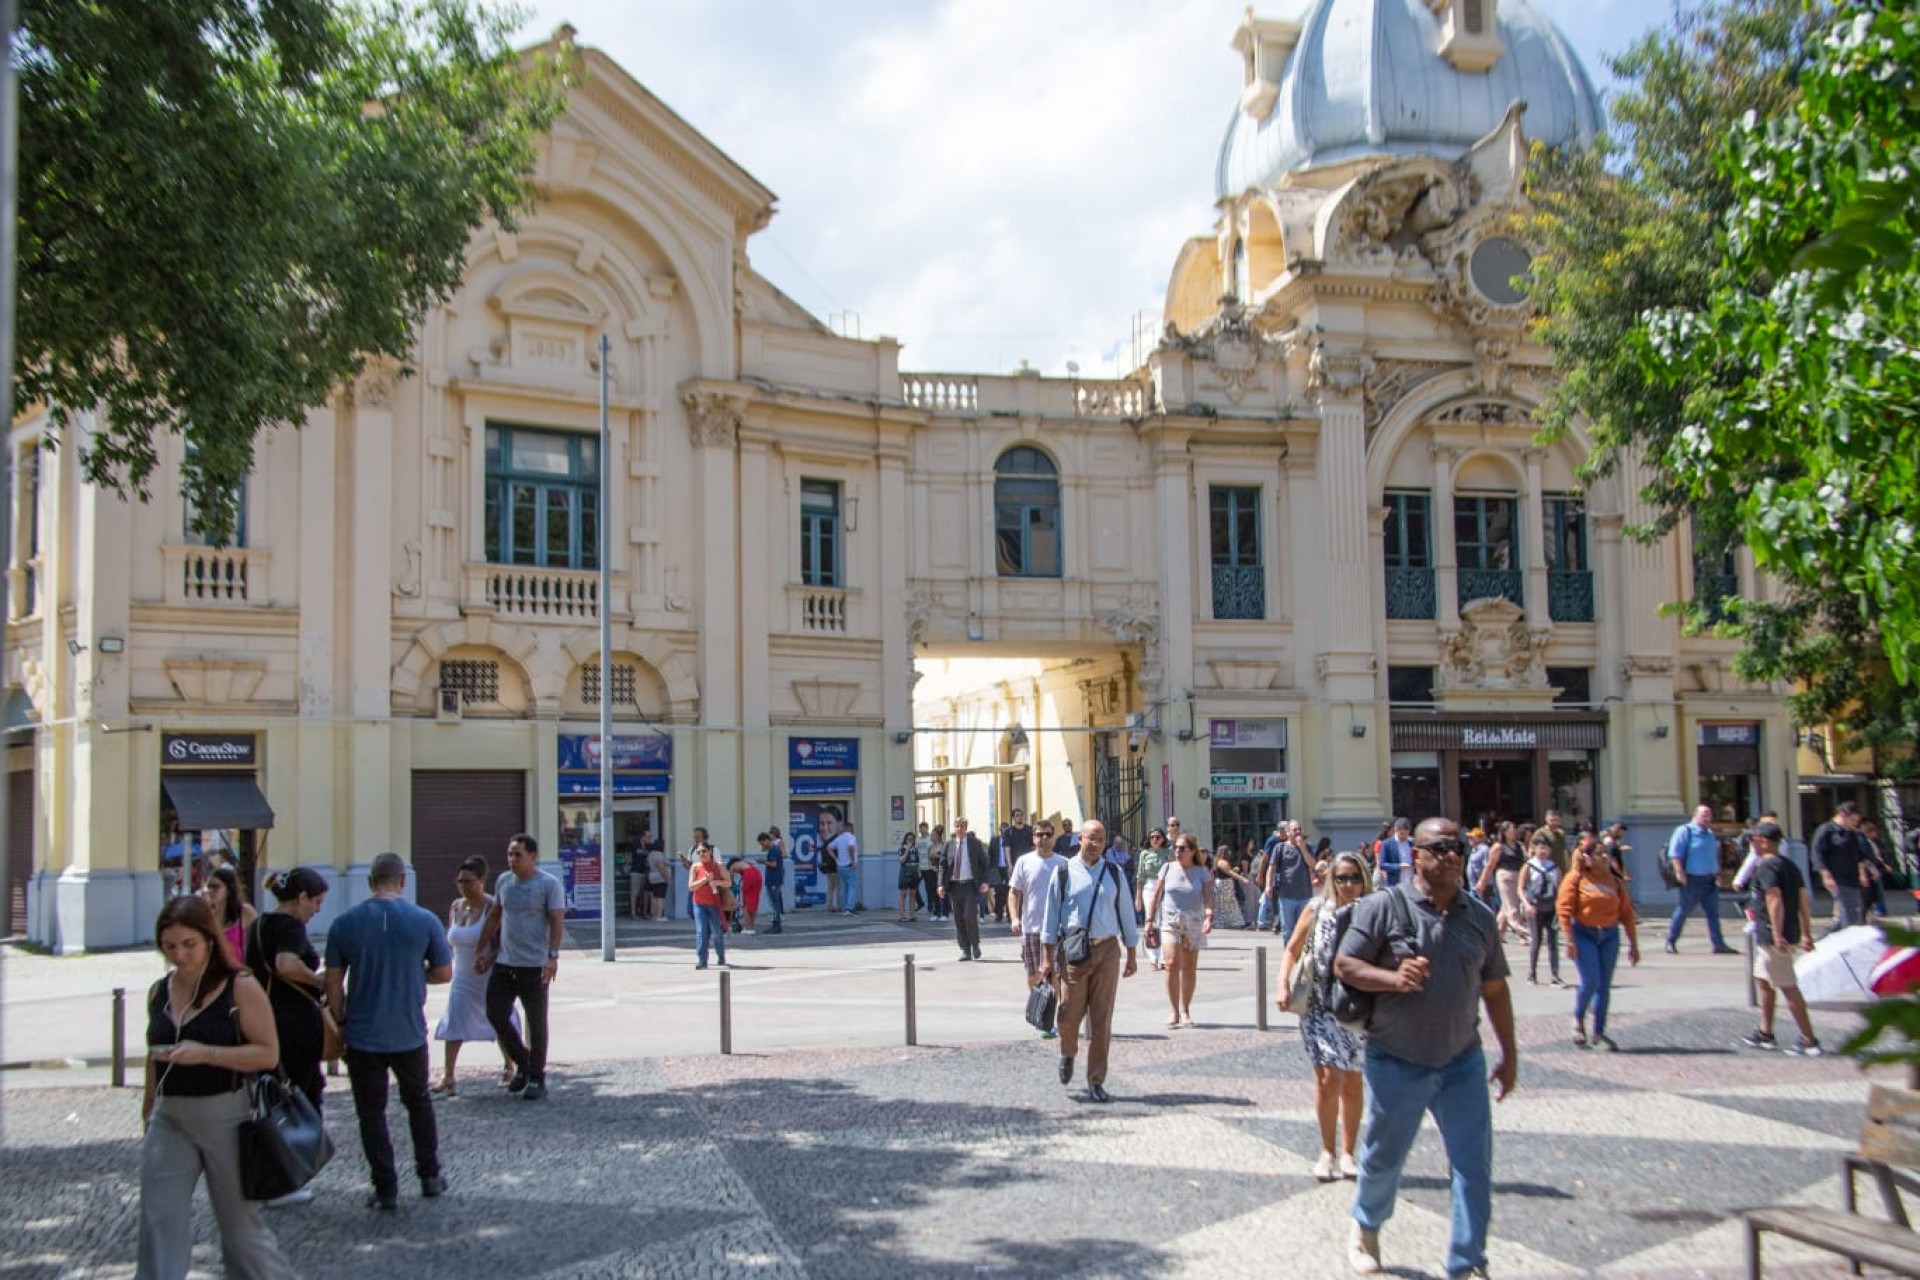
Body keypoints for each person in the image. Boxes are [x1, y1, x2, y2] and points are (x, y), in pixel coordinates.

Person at [1333, 818, 1517, 1280]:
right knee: (1383, 1157)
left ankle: (1468, 1258)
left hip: (1462, 1060)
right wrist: (1393, 979)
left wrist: (1510, 1054)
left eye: (1457, 848)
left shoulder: (1478, 917)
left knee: (1473, 1163)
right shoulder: (1384, 907)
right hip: (1396, 1057)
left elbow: (1495, 990)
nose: (1452, 856)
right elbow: (1344, 964)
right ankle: (1366, 1227)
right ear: (1415, 854)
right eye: (1439, 848)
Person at [139, 896, 294, 1280]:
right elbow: (152, 1053)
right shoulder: (159, 990)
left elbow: (267, 1053)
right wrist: (148, 1106)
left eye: (188, 944)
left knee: (241, 1230)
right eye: (170, 946)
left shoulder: (239, 986)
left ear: (209, 938)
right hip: (170, 1115)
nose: (179, 955)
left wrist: (207, 1053)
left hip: (226, 1113)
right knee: (159, 1219)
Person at [324, 853, 453, 1210]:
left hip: (363, 1034)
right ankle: (429, 1174)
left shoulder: (344, 924)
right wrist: (415, 974)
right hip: (408, 1030)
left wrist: (341, 1020)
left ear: (370, 882)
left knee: (371, 1113)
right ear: (402, 881)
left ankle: (385, 1187)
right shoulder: (424, 920)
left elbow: (333, 982)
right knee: (419, 1102)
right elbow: (444, 973)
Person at [1278, 849, 1371, 1182]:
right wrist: (1282, 985)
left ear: (1364, 881)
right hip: (1318, 1006)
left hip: (1359, 1006)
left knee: (1354, 1081)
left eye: (1354, 878)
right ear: (1331, 879)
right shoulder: (1318, 908)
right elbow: (1292, 947)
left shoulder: (1373, 911)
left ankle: (1349, 1152)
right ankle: (1327, 1151)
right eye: (1341, 877)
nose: (1348, 884)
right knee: (1328, 1077)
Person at [245, 868, 330, 1205]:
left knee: (272, 1098)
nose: (317, 910)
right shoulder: (290, 927)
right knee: (298, 1099)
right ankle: (286, 1178)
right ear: (301, 898)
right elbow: (286, 965)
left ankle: (273, 1177)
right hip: (293, 1023)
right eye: (317, 902)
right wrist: (320, 981)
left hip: (264, 1021)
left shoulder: (259, 924)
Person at [1040, 818, 1139, 1104]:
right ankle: (1068, 1052)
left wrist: (1131, 951)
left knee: (1101, 1019)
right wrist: (1048, 958)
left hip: (1107, 950)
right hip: (1074, 952)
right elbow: (1051, 915)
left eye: (1100, 839)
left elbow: (1126, 914)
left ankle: (1096, 1080)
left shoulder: (1114, 873)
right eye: (1090, 838)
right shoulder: (1063, 871)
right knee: (1069, 1014)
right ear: (1079, 839)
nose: (1095, 844)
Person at [477, 833, 565, 1102]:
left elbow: (556, 920)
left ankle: (536, 1077)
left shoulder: (548, 884)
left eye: (518, 854)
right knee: (495, 1013)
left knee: (536, 1022)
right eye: (509, 854)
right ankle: (524, 1063)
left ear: (532, 857)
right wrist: (482, 949)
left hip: (535, 964)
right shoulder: (504, 881)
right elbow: (494, 916)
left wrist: (552, 955)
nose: (512, 859)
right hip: (505, 962)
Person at [1739, 819, 1823, 1055]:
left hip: (1774, 936)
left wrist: (1777, 934)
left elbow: (1774, 899)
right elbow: (1803, 902)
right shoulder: (1790, 865)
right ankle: (1765, 1032)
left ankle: (1809, 1039)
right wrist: (1806, 932)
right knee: (1763, 981)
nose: (1752, 844)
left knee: (1787, 986)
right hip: (1783, 933)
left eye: (1754, 840)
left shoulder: (1768, 867)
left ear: (1764, 842)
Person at [434, 856, 515, 1096]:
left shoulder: (492, 906)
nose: (463, 886)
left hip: (486, 975)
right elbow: (453, 939)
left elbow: (504, 942)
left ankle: (509, 1065)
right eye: (459, 881)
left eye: (468, 881)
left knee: (498, 1019)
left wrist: (487, 959)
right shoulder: (456, 906)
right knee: (455, 1019)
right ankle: (448, 1075)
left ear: (481, 880)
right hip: (462, 975)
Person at [1558, 828, 1640, 1051]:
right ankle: (1578, 1019)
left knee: (1604, 985)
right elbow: (1564, 910)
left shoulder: (1615, 881)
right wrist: (1569, 940)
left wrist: (1634, 944)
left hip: (1609, 935)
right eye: (1599, 853)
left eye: (1606, 853)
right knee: (1591, 980)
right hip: (1583, 933)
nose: (1604, 857)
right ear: (1587, 857)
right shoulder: (1576, 878)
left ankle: (1599, 1032)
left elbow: (1626, 914)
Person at [1007, 820, 1069, 1029]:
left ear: (1053, 837)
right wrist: (1015, 918)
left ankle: (1054, 1017)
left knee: (1057, 974)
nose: (1044, 839)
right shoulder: (1024, 862)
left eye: (1048, 835)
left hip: (1057, 929)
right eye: (1039, 835)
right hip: (1032, 927)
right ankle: (1041, 1010)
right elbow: (1014, 893)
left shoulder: (1063, 863)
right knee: (1034, 974)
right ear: (1033, 838)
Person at [1147, 834, 1213, 1028]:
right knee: (1171, 963)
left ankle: (1185, 1009)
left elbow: (1208, 898)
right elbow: (1156, 895)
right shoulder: (1167, 868)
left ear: (1192, 850)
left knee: (1189, 968)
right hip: (1170, 920)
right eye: (1176, 847)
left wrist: (1209, 917)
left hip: (1193, 920)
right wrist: (1149, 920)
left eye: (1182, 848)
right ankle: (1173, 1010)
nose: (1178, 851)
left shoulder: (1202, 872)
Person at [1666, 802, 1738, 954]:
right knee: (1683, 910)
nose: (1707, 818)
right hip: (1692, 879)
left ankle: (1718, 944)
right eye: (1704, 815)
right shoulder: (1685, 831)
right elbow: (1675, 854)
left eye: (1709, 815)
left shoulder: (1710, 834)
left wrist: (1717, 873)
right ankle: (1671, 941)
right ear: (1695, 816)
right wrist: (1680, 873)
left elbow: (1713, 856)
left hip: (1709, 879)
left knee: (1713, 913)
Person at [1811, 801, 1875, 933]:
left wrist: (1865, 872)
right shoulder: (1826, 831)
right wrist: (1826, 876)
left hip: (1852, 877)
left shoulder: (1851, 833)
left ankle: (1824, 939)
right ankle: (1848, 941)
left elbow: (1859, 855)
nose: (1854, 824)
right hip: (1837, 878)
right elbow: (1818, 854)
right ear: (1842, 815)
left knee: (1848, 914)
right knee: (1850, 914)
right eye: (1852, 820)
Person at [938, 817, 989, 961]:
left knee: (969, 917)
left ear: (966, 828)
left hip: (970, 886)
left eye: (962, 826)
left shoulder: (974, 844)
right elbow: (943, 865)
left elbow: (984, 864)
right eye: (957, 826)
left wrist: (985, 882)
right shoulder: (948, 845)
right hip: (954, 887)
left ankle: (975, 944)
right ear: (954, 828)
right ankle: (965, 949)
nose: (959, 829)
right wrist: (941, 884)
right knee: (959, 919)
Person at [1519, 835, 1565, 988]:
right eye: (1540, 848)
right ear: (1534, 849)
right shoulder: (1529, 866)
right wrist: (1526, 905)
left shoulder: (1554, 867)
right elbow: (1520, 888)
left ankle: (1555, 975)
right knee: (1536, 941)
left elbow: (1561, 888)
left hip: (1551, 908)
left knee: (1553, 942)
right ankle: (1532, 974)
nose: (1543, 851)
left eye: (1546, 848)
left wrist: (1560, 907)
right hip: (1535, 908)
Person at [1475, 821, 1524, 941]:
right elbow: (1490, 865)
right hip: (1504, 876)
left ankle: (1496, 934)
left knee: (1505, 907)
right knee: (1512, 906)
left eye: (1514, 828)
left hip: (1517, 876)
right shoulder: (1498, 846)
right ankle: (1521, 933)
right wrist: (1482, 881)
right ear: (1504, 832)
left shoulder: (1518, 846)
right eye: (1511, 829)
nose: (1513, 831)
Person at [1267, 822, 1314, 942]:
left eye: (1299, 829)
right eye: (1294, 830)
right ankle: (1289, 956)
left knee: (1303, 928)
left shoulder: (1308, 848)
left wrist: (1302, 848)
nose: (1298, 832)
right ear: (1288, 833)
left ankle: (1300, 956)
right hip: (1286, 894)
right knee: (1288, 929)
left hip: (1304, 894)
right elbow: (1271, 867)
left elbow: (1313, 865)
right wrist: (1268, 885)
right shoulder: (1280, 848)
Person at [202, 865, 257, 963]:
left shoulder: (244, 912)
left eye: (215, 887)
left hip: (240, 972)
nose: (210, 891)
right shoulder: (205, 914)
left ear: (228, 889)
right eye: (208, 887)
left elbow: (259, 943)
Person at [688, 842, 730, 969]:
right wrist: (704, 880)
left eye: (704, 851)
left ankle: (721, 956)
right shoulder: (695, 867)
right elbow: (691, 887)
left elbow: (728, 882)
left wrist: (716, 882)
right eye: (699, 852)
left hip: (714, 904)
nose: (701, 854)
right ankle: (702, 960)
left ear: (710, 851)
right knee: (701, 932)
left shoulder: (719, 865)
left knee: (717, 933)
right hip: (699, 904)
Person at [1135, 828, 1172, 970]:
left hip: (1165, 885)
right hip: (1150, 886)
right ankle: (1153, 956)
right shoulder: (1144, 854)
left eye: (1158, 837)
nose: (1155, 840)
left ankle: (1164, 956)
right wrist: (1138, 898)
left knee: (1163, 921)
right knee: (1150, 920)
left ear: (1163, 839)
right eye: (1152, 837)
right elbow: (1140, 876)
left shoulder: (1168, 852)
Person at [1211, 844, 1249, 929]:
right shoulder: (1222, 862)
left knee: (1226, 903)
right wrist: (1242, 879)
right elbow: (1229, 872)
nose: (1230, 852)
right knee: (1225, 904)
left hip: (1225, 884)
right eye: (1228, 851)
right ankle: (1223, 922)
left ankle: (1227, 921)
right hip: (1225, 884)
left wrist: (1233, 871)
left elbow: (1227, 871)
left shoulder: (1218, 861)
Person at [759, 829, 786, 934]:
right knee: (775, 902)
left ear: (766, 840)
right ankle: (776, 923)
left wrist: (763, 862)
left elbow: (774, 864)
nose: (762, 846)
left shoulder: (774, 849)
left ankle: (776, 924)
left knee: (775, 903)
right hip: (773, 879)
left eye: (762, 843)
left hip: (774, 879)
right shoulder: (772, 849)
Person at [1376, 818, 1412, 889]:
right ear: (1396, 830)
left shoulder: (1412, 843)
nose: (1403, 837)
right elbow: (1382, 864)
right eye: (1401, 834)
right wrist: (1398, 866)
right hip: (1395, 882)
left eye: (1405, 834)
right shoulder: (1387, 844)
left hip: (1411, 881)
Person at [897, 829, 922, 921]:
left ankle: (912, 915)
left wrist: (919, 873)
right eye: (908, 839)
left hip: (914, 873)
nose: (910, 841)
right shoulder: (902, 848)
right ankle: (902, 915)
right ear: (905, 840)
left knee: (913, 894)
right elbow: (902, 860)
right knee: (903, 894)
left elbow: (917, 862)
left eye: (912, 839)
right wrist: (907, 849)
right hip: (905, 873)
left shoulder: (915, 849)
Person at [1539, 809, 1570, 875]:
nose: (1554, 823)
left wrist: (1568, 867)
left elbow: (1564, 851)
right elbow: (1532, 851)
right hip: (1547, 870)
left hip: (1561, 869)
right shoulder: (1541, 833)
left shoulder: (1561, 833)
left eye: (1556, 820)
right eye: (1551, 820)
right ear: (1546, 819)